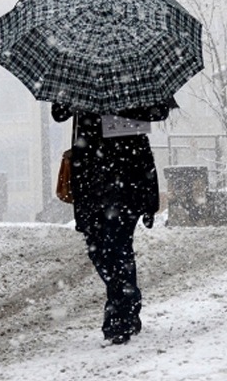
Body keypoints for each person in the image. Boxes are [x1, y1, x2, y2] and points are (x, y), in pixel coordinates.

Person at [52, 100, 172, 345]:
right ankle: (128, 304)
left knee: (118, 245)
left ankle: (119, 318)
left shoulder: (135, 74)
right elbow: (58, 113)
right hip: (91, 178)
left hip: (128, 174)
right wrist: (74, 99)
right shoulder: (79, 76)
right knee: (98, 249)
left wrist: (124, 106)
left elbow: (160, 111)